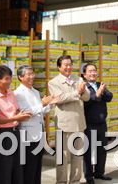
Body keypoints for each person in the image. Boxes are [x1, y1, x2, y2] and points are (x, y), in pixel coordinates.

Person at [48, 55, 90, 184]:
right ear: (59, 67)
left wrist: (82, 92)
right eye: (65, 65)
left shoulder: (78, 79)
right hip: (64, 125)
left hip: (79, 124)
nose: (68, 67)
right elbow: (59, 99)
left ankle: (75, 181)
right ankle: (61, 182)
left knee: (77, 157)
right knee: (63, 158)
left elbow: (87, 97)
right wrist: (77, 93)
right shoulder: (53, 82)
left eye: (70, 64)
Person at [14, 65, 58, 184]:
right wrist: (42, 104)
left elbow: (40, 111)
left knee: (37, 168)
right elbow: (26, 113)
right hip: (27, 136)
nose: (32, 76)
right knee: (29, 168)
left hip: (39, 134)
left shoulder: (35, 91)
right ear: (20, 77)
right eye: (28, 74)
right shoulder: (18, 93)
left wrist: (50, 104)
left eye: (32, 73)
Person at [0, 65, 31, 184]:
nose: (9, 82)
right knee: (4, 169)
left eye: (10, 78)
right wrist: (15, 118)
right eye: (6, 79)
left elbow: (16, 110)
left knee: (17, 168)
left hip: (15, 132)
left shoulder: (11, 93)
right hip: (2, 135)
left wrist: (20, 114)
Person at [81, 63, 113, 183]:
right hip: (89, 123)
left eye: (94, 71)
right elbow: (87, 102)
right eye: (90, 71)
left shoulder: (100, 84)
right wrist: (97, 93)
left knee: (102, 149)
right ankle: (89, 176)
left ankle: (99, 172)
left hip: (101, 123)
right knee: (88, 151)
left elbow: (109, 97)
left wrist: (102, 91)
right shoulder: (83, 87)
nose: (93, 73)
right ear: (84, 74)